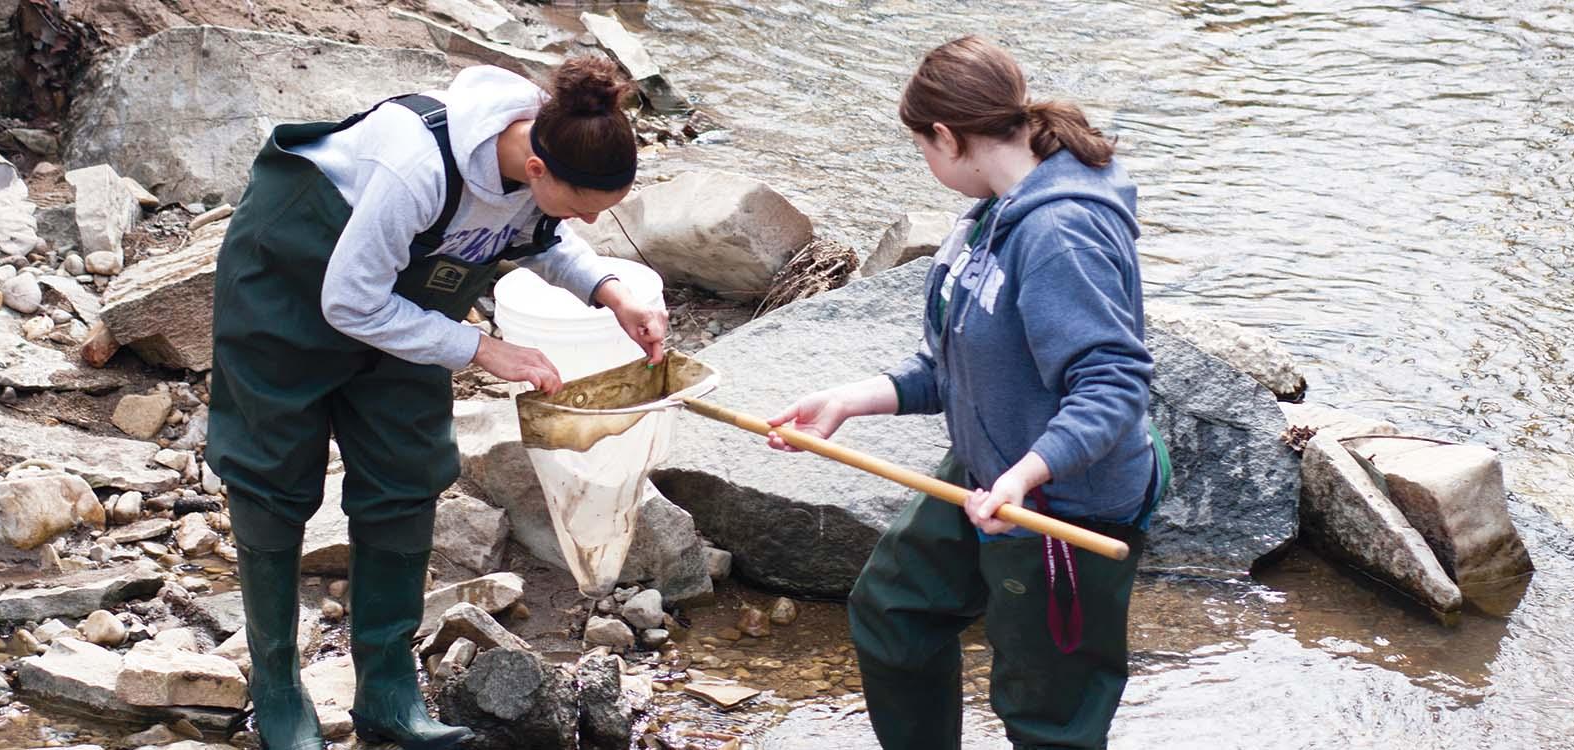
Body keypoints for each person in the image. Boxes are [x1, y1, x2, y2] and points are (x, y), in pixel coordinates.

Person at [205, 58, 667, 750]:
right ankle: (276, 689)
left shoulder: (541, 146)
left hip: (402, 304)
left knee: (406, 469)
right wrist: (483, 349)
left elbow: (544, 234)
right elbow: (349, 301)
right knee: (272, 476)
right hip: (290, 284)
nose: (590, 219)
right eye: (585, 205)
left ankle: (388, 691)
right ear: (538, 170)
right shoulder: (414, 165)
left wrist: (609, 288)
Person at [765, 36, 1170, 749]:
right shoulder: (989, 211)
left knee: (1049, 717)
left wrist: (1023, 477)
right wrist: (851, 399)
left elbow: (1114, 386)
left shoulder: (1058, 232)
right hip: (991, 469)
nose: (926, 163)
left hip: (1062, 504)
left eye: (922, 147)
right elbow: (955, 363)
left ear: (948, 137)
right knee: (894, 609)